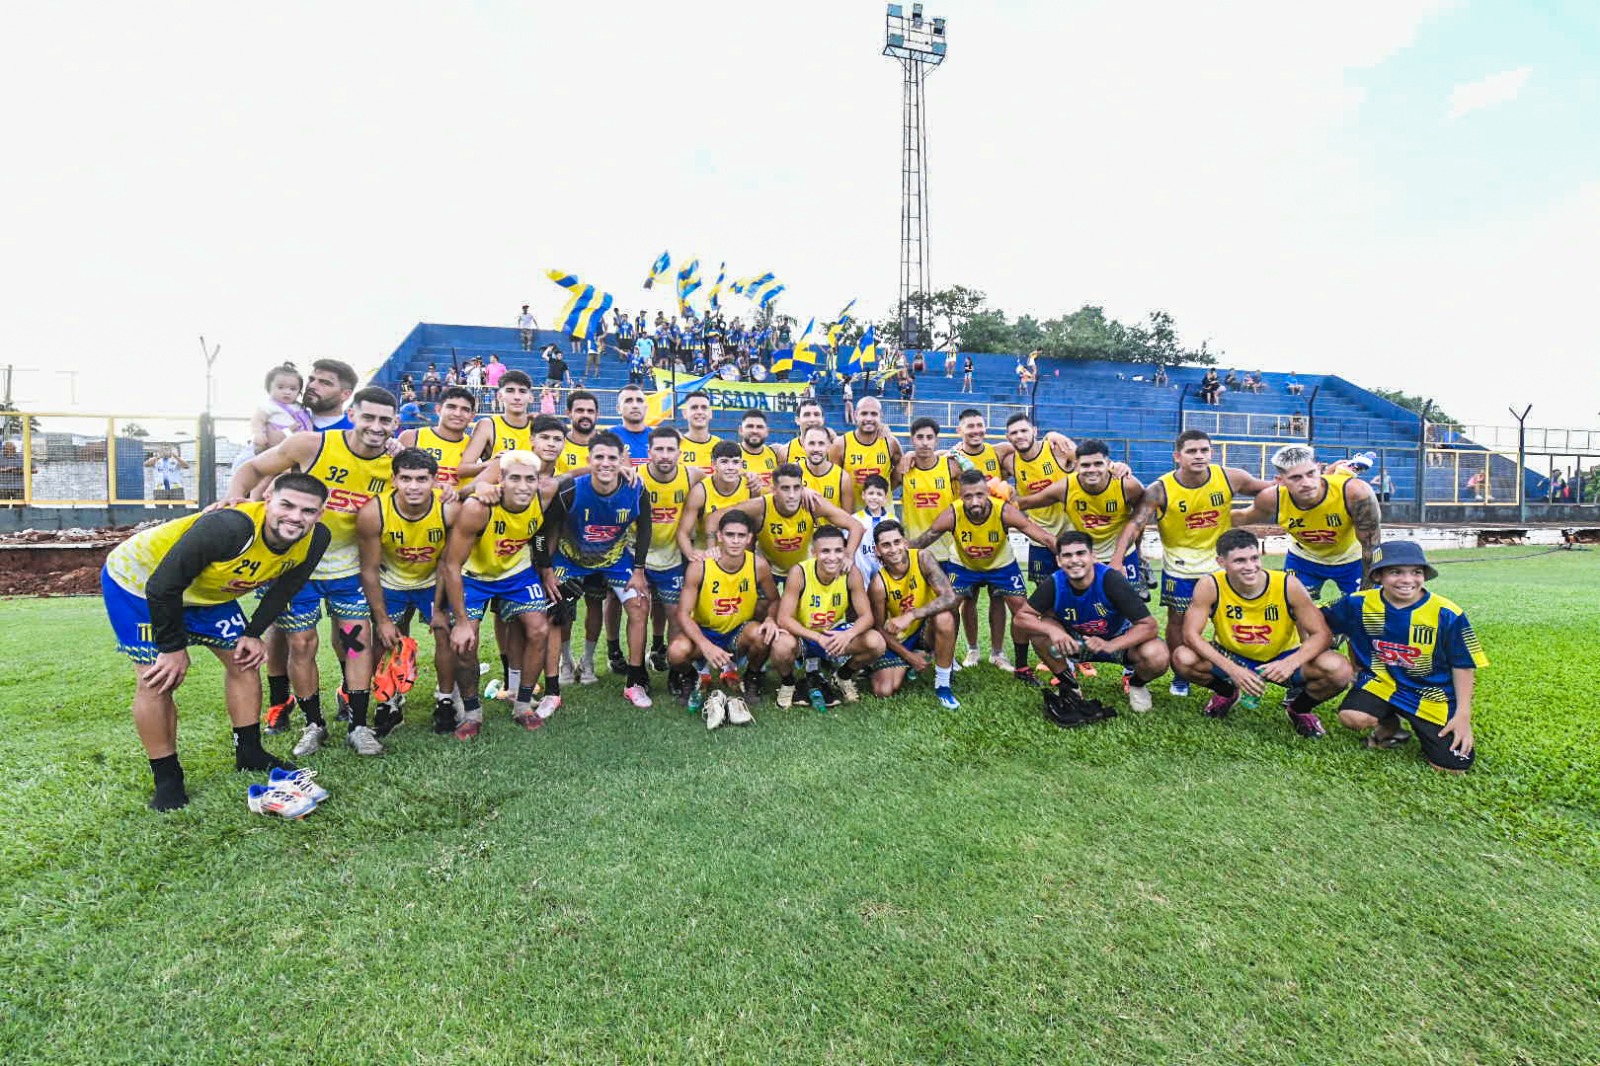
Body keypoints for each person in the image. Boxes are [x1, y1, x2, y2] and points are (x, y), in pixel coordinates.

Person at [102, 472, 330, 810]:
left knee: (244, 659)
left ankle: (249, 751)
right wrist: (171, 648)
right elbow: (162, 586)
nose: (296, 517)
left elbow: (286, 587)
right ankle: (168, 778)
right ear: (267, 498)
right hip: (139, 583)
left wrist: (253, 633)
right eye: (287, 505)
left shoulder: (316, 538)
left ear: (321, 513)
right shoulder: (229, 528)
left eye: (308, 511)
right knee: (158, 680)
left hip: (210, 588)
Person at [224, 387, 399, 758]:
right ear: (352, 414)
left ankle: (358, 726)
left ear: (394, 424)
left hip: (349, 569)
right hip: (296, 566)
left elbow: (428, 487)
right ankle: (313, 724)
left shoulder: (394, 464)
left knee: (356, 644)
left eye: (385, 420)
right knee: (302, 644)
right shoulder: (311, 445)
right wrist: (233, 500)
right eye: (368, 417)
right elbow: (252, 468)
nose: (376, 426)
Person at [1111, 430, 1272, 699]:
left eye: (1204, 450)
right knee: (1178, 622)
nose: (1199, 456)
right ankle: (1181, 673)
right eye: (1192, 451)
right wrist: (1117, 560)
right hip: (1180, 566)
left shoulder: (1231, 477)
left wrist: (1321, 478)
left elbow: (1269, 488)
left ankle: (1235, 668)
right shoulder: (1160, 489)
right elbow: (1135, 524)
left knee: (1231, 618)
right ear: (1177, 456)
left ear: (1211, 452)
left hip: (1223, 564)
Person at [1171, 529, 1353, 739]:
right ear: (1221, 562)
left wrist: (1291, 662)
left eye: (1254, 558)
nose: (1250, 567)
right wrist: (1233, 670)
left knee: (1339, 670)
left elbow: (1321, 634)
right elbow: (1190, 635)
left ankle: (1299, 708)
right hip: (1233, 656)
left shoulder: (1287, 584)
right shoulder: (1210, 585)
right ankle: (1228, 693)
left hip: (1282, 656)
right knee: (1182, 658)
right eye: (1239, 561)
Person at [1324, 541, 1487, 771]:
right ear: (1378, 576)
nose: (1407, 580)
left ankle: (1424, 727)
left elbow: (1464, 666)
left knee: (1453, 766)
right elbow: (1315, 615)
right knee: (1352, 716)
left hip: (1431, 695)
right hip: (1382, 683)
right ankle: (1389, 725)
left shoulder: (1447, 614)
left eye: (1416, 572)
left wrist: (1462, 715)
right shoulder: (1357, 603)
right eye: (1396, 572)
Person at [440, 451, 558, 735]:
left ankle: (523, 704)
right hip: (473, 576)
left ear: (538, 481)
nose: (522, 485)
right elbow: (451, 564)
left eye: (529, 479)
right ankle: (472, 712)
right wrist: (460, 620)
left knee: (539, 630)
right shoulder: (478, 508)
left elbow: (573, 475)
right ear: (501, 480)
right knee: (466, 641)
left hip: (516, 573)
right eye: (514, 478)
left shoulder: (545, 495)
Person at [907, 469, 1059, 676]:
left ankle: (1017, 664)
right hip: (964, 566)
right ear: (961, 497)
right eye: (968, 496)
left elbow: (1044, 537)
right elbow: (922, 541)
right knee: (947, 606)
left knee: (1022, 611)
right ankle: (950, 657)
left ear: (988, 493)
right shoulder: (952, 513)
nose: (975, 501)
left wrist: (1074, 555)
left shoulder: (1004, 511)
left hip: (1001, 565)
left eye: (980, 495)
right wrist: (897, 550)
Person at [542, 432, 655, 708]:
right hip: (569, 559)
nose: (605, 463)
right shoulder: (570, 489)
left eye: (612, 458)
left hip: (614, 559)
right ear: (589, 459)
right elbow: (544, 532)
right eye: (599, 457)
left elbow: (645, 530)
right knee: (554, 612)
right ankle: (553, 689)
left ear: (622, 461)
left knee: (640, 606)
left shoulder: (636, 489)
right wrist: (546, 569)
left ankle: (634, 682)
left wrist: (639, 569)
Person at [355, 447, 461, 736]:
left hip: (431, 581)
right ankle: (390, 702)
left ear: (434, 480)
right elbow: (369, 570)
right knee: (387, 639)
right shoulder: (373, 512)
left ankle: (445, 699)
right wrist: (383, 620)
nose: (413, 486)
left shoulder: (449, 508)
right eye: (406, 479)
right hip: (391, 582)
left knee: (446, 634)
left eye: (421, 479)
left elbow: (448, 563)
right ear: (394, 480)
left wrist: (439, 608)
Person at [1012, 531, 1170, 715]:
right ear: (1059, 561)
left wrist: (1111, 645)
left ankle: (1136, 685)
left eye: (1080, 553)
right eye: (1067, 555)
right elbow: (1021, 617)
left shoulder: (1111, 580)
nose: (1074, 560)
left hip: (1117, 640)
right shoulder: (1054, 582)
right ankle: (1070, 686)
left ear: (1092, 556)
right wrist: (1054, 631)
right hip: (1076, 644)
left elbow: (1149, 626)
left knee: (1158, 655)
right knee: (1040, 635)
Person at [670, 507, 786, 728]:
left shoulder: (758, 565)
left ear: (750, 538)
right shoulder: (700, 566)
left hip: (736, 634)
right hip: (704, 632)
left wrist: (771, 619)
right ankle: (692, 676)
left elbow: (775, 600)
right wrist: (705, 646)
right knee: (676, 652)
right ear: (720, 536)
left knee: (762, 635)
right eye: (730, 535)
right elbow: (683, 614)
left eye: (741, 535)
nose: (735, 541)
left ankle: (752, 677)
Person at [1229, 444, 1382, 599]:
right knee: (1292, 609)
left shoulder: (1356, 493)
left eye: (1311, 474)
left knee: (1362, 611)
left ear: (1319, 469)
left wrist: (1367, 591)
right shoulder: (1273, 498)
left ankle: (1351, 466)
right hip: (1304, 559)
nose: (1306, 483)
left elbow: (1372, 545)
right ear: (1280, 481)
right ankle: (1342, 468)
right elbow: (1241, 517)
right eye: (1295, 478)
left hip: (1352, 560)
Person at [774, 525, 886, 711]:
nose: (832, 557)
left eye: (838, 551)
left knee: (877, 642)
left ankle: (843, 675)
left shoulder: (851, 573)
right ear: (813, 552)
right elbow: (784, 619)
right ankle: (788, 683)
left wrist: (847, 634)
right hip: (803, 636)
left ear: (845, 552)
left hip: (833, 636)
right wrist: (817, 637)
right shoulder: (799, 572)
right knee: (781, 645)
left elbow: (867, 617)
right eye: (825, 551)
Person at [1015, 438, 1147, 593]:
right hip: (1086, 558)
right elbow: (1027, 502)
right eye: (1085, 465)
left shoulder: (1128, 485)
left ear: (1108, 463)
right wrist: (998, 497)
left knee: (1128, 611)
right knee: (1087, 608)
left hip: (1123, 555)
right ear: (1076, 465)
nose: (1092, 469)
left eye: (1098, 464)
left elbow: (1139, 519)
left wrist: (1135, 553)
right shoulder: (1066, 487)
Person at [637, 426, 708, 696]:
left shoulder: (692, 475)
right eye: (659, 449)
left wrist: (749, 478)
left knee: (675, 615)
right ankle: (637, 672)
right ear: (649, 451)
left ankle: (676, 673)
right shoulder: (635, 476)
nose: (665, 455)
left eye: (670, 449)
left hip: (673, 556)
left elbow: (720, 487)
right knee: (638, 615)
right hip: (638, 557)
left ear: (679, 453)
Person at [714, 463, 860, 585]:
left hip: (802, 567)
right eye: (785, 488)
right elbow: (714, 517)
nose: (792, 495)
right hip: (768, 570)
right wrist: (712, 547)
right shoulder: (760, 506)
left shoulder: (812, 503)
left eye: (796, 488)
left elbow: (856, 526)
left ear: (802, 488)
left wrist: (848, 555)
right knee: (762, 608)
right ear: (774, 490)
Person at [868, 520, 961, 708]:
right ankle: (915, 658)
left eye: (897, 542)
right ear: (877, 550)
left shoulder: (922, 558)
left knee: (944, 616)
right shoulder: (878, 584)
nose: (893, 549)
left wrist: (911, 615)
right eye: (886, 545)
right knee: (884, 690)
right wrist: (909, 657)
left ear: (905, 542)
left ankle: (943, 685)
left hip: (926, 627)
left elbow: (951, 596)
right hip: (902, 637)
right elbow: (878, 627)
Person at [456, 370, 535, 484]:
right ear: (499, 396)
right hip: (494, 495)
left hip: (530, 495)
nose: (517, 397)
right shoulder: (487, 425)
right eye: (510, 391)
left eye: (522, 391)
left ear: (531, 398)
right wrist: (492, 464)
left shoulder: (538, 426)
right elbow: (463, 470)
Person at [397, 385, 476, 489]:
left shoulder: (476, 446)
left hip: (458, 504)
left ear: (472, 416)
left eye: (465, 409)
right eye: (451, 407)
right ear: (438, 410)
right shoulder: (411, 437)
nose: (457, 413)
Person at [829, 396, 903, 493]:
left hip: (882, 507)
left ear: (881, 416)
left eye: (874, 414)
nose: (868, 418)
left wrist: (885, 491)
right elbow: (832, 481)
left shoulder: (891, 443)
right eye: (864, 413)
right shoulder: (840, 445)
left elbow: (902, 473)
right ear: (855, 415)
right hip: (851, 507)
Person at [245, 364, 313, 464]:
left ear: (299, 392)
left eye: (292, 389)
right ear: (269, 388)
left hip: (298, 448)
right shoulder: (269, 406)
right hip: (276, 447)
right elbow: (257, 420)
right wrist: (258, 433)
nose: (287, 392)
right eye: (280, 387)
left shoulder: (300, 407)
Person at [796, 424, 852, 514]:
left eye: (821, 443)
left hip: (831, 528)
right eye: (811, 443)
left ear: (829, 446)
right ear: (803, 445)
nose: (816, 449)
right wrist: (799, 489)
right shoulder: (791, 473)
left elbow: (848, 518)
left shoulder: (842, 477)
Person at [302, 359, 360, 431]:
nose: (311, 385)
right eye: (311, 379)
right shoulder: (290, 418)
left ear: (345, 394)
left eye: (325, 383)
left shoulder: (355, 432)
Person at [735, 409, 782, 490]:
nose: (755, 431)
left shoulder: (776, 453)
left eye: (759, 427)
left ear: (767, 431)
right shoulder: (730, 454)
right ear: (741, 430)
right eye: (750, 426)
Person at [677, 389, 721, 472]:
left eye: (704, 407)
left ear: (710, 413)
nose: (700, 411)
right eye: (694, 407)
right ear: (685, 413)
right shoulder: (675, 446)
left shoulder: (720, 445)